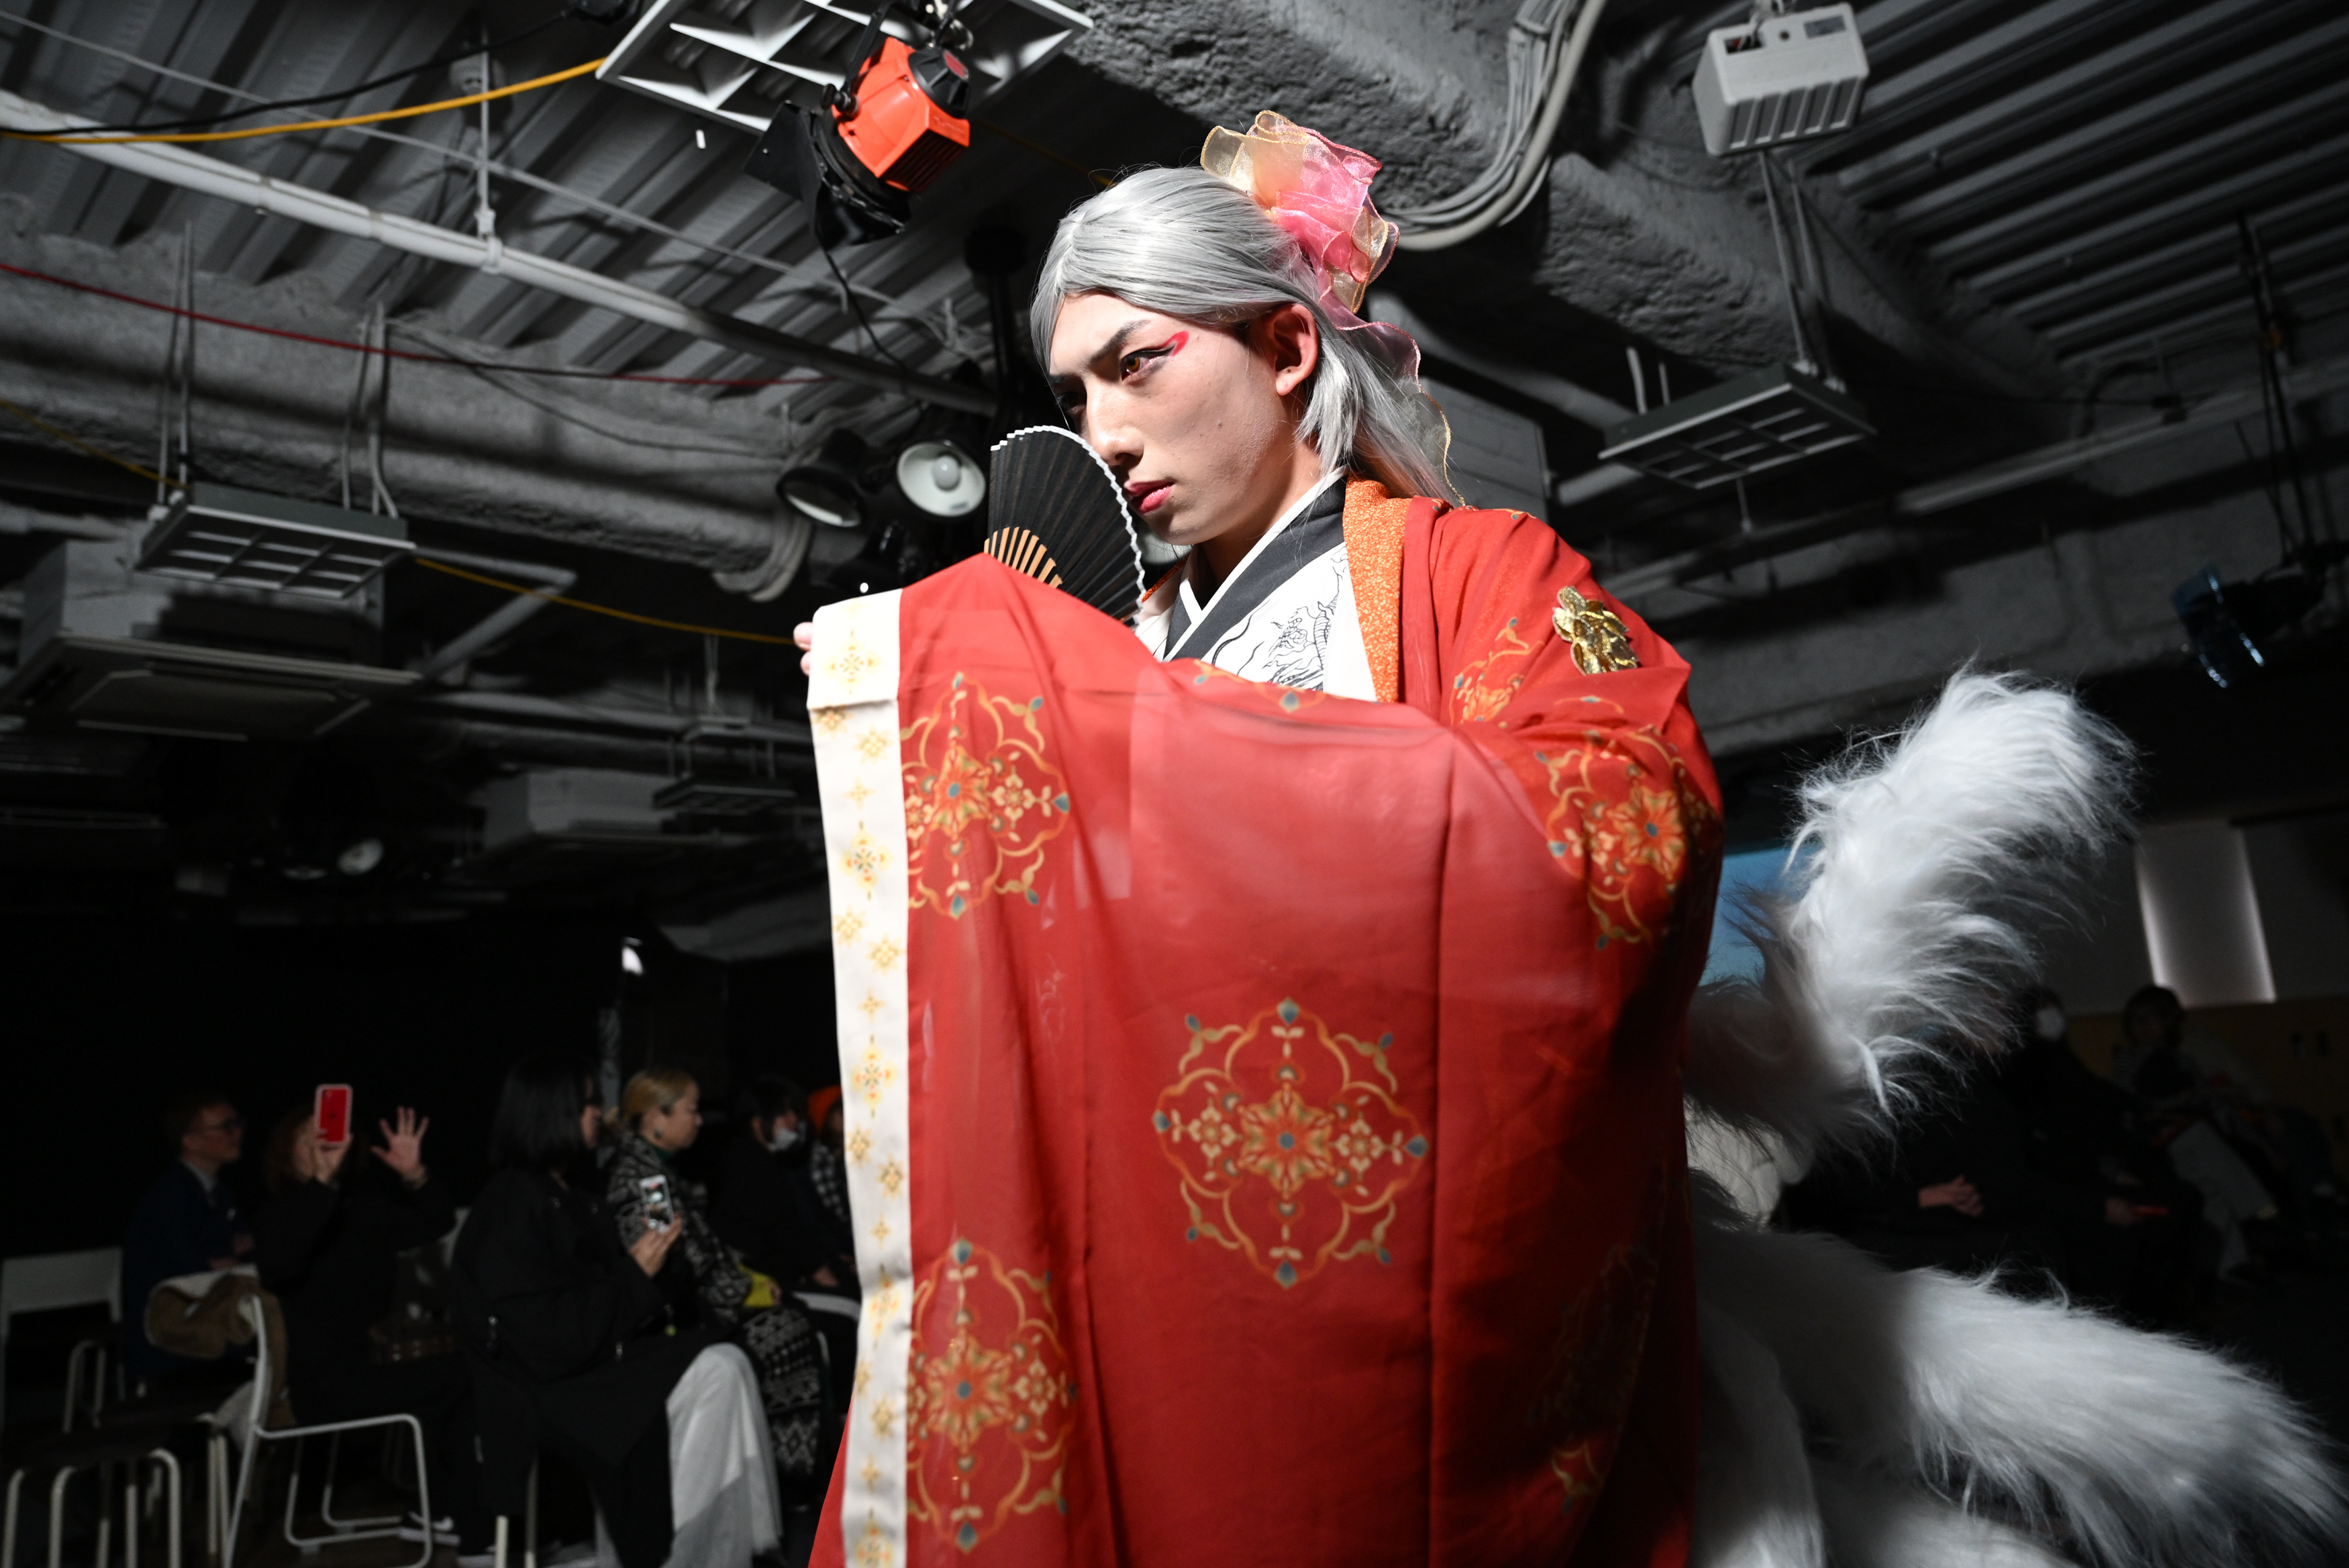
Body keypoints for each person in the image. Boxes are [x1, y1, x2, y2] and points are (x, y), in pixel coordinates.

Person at [793, 113, 1720, 1566]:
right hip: (1134, 1262)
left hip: (1371, 1278)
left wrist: (1174, 743)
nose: (1102, 433)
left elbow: (1633, 815)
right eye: (1074, 392)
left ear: (1286, 347)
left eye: (1138, 364)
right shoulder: (1116, 654)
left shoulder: (1480, 572)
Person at [449, 1055, 779, 1568]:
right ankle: (675, 1553)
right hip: (543, 1386)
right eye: (588, 1102)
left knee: (726, 1359)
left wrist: (657, 1264)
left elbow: (609, 1297)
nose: (598, 1113)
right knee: (716, 1370)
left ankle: (716, 1548)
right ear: (552, 1112)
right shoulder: (512, 1202)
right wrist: (635, 1273)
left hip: (587, 1360)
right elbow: (543, 1334)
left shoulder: (570, 1194)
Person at [251, 1101, 490, 1557]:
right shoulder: (279, 1215)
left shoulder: (358, 1211)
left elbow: (435, 1221)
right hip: (323, 1384)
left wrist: (415, 1174)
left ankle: (443, 1514)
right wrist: (321, 1184)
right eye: (309, 1137)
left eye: (330, 1134)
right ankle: (468, 1530)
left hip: (369, 1366)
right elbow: (279, 1262)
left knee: (464, 1375)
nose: (324, 1144)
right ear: (286, 1153)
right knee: (462, 1376)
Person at [606, 1069, 830, 1496]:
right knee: (791, 1329)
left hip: (702, 1303)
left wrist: (750, 1281)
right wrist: (746, 1292)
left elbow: (703, 1252)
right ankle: (787, 1481)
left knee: (794, 1318)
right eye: (690, 1111)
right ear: (656, 1117)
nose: (699, 1121)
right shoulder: (647, 1180)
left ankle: (784, 1478)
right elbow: (675, 1267)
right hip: (681, 1322)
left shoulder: (659, 1170)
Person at [123, 1090, 253, 1385]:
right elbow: (191, 1269)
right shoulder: (170, 1199)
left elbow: (238, 1253)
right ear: (192, 1141)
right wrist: (224, 1262)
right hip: (176, 1342)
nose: (237, 1133)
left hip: (212, 1325)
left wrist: (231, 1259)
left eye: (238, 1124)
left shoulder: (219, 1193)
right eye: (226, 1127)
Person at [710, 1074, 854, 1294]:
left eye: (794, 1112)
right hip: (768, 1284)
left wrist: (832, 1257)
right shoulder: (751, 1165)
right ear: (758, 1122)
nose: (794, 1120)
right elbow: (784, 1232)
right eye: (784, 1113)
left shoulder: (765, 1161)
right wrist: (829, 1280)